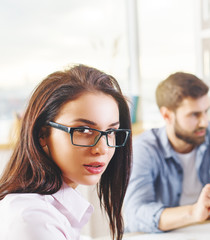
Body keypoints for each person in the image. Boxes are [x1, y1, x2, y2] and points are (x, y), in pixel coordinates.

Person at [0, 65, 132, 240]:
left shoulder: (52, 210)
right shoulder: (32, 219)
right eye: (84, 131)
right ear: (42, 134)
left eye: (111, 132)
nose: (102, 149)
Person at [124, 72, 210, 233]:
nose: (205, 122)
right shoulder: (144, 148)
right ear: (167, 115)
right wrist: (193, 212)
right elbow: (136, 213)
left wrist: (204, 210)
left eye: (206, 111)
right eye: (195, 114)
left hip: (204, 231)